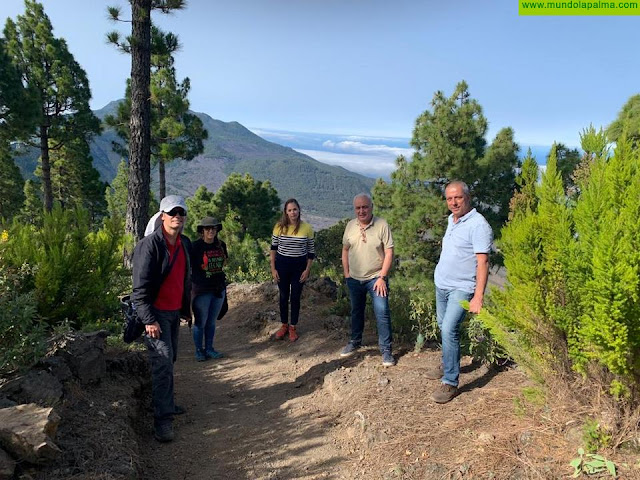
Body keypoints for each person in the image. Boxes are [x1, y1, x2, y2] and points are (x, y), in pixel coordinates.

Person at [132, 195, 192, 442]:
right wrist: (148, 320)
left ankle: (167, 403)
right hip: (155, 315)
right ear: (162, 216)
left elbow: (185, 279)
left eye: (181, 212)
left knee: (171, 359)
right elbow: (139, 289)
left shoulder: (184, 243)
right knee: (163, 363)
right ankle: (162, 421)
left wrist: (186, 310)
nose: (176, 216)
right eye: (172, 212)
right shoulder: (149, 246)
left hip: (173, 312)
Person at [428, 181, 493, 404]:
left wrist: (478, 296)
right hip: (442, 284)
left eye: (458, 198)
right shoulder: (451, 220)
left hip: (462, 287)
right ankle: (448, 362)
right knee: (442, 325)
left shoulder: (478, 225)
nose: (453, 202)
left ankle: (450, 382)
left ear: (467, 197)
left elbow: (483, 262)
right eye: (449, 199)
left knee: (449, 329)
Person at [340, 193, 395, 366]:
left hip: (376, 278)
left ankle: (386, 351)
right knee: (356, 311)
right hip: (355, 278)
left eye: (365, 207)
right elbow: (345, 250)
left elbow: (389, 252)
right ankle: (355, 342)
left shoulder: (381, 225)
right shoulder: (350, 226)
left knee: (382, 313)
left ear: (371, 207)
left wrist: (382, 277)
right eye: (358, 208)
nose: (361, 211)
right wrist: (347, 274)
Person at [270, 198, 315, 342]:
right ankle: (284, 325)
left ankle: (293, 327)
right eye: (289, 210)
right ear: (286, 212)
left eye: (295, 209)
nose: (292, 212)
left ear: (299, 210)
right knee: (283, 296)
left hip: (299, 267)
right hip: (282, 266)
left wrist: (307, 270)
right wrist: (273, 269)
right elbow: (273, 249)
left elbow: (311, 252)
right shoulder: (279, 227)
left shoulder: (307, 228)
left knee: (295, 297)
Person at [190, 216, 228, 362]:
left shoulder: (221, 245)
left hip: (218, 288)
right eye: (208, 228)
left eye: (213, 228)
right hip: (201, 289)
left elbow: (224, 261)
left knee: (211, 321)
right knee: (200, 321)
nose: (211, 231)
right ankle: (199, 350)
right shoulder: (195, 247)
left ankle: (210, 348)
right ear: (202, 231)